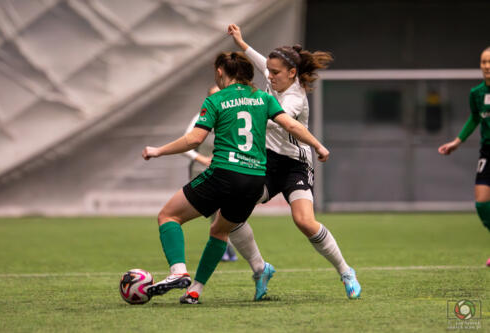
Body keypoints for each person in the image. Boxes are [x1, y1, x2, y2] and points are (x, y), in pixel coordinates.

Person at [141, 51, 330, 304]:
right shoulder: (263, 98)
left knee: (168, 216)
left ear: (220, 72)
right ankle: (195, 290)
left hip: (224, 174)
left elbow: (194, 139)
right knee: (219, 231)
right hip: (254, 180)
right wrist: (318, 146)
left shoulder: (216, 99)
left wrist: (158, 150)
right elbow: (293, 126)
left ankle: (178, 272)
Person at [227, 23, 361, 299]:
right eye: (270, 71)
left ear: (291, 73)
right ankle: (259, 268)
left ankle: (346, 271)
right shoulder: (275, 73)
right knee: (228, 213)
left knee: (304, 221)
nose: (269, 75)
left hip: (294, 164)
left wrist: (318, 146)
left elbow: (287, 124)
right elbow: (259, 60)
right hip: (266, 162)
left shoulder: (295, 98)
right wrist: (241, 42)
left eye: (275, 72)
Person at [438, 46, 490, 265]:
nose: (487, 66)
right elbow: (475, 119)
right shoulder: (476, 93)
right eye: (483, 62)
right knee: (481, 203)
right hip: (487, 152)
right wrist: (456, 142)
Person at [183, 85, 238, 262]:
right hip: (202, 170)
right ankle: (223, 247)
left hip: (225, 168)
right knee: (215, 209)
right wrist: (202, 159)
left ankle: (226, 247)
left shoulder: (232, 116)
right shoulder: (200, 117)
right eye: (214, 95)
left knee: (227, 209)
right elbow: (186, 145)